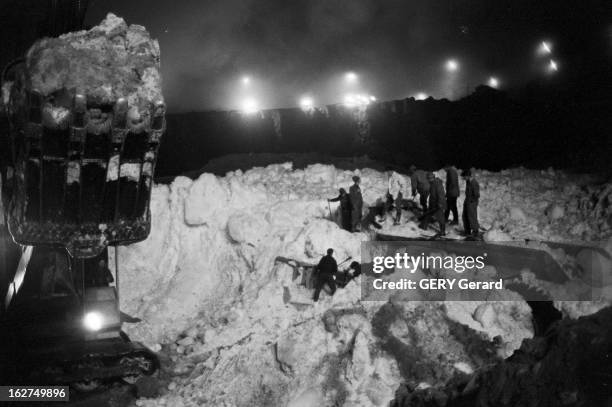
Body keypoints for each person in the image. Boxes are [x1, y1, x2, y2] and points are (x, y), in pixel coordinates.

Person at [461, 169, 480, 237]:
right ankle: (467, 231)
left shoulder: (474, 183)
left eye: (464, 177)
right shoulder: (468, 181)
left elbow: (476, 195)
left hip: (471, 202)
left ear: (468, 176)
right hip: (467, 201)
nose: (463, 178)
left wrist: (471, 202)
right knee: (465, 216)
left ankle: (475, 231)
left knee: (472, 217)